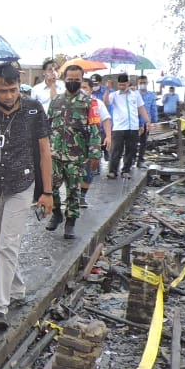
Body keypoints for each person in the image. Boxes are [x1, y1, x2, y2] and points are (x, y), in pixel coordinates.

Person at [0, 62, 53, 330]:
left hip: (21, 185)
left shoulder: (33, 110)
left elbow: (44, 153)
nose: (9, 95)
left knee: (7, 245)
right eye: (3, 90)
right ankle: (17, 288)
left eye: (13, 89)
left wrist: (48, 192)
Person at [46, 64, 101, 239]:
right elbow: (47, 127)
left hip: (76, 156)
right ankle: (56, 214)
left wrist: (94, 153)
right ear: (64, 80)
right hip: (55, 154)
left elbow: (94, 129)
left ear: (81, 80)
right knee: (51, 187)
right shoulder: (55, 101)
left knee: (73, 191)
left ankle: (71, 222)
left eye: (76, 80)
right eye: (70, 80)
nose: (73, 82)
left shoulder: (89, 103)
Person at [105, 73, 150, 178]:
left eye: (123, 85)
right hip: (119, 127)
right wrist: (107, 90)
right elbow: (106, 102)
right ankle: (112, 171)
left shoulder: (135, 94)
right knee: (116, 150)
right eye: (120, 85)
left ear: (128, 83)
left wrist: (147, 121)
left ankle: (126, 170)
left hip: (133, 127)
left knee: (131, 150)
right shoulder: (114, 95)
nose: (122, 87)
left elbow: (141, 108)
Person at [78, 76, 112, 208]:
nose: (81, 90)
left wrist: (108, 136)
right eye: (80, 87)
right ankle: (72, 196)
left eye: (84, 87)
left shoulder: (97, 103)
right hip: (74, 143)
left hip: (92, 142)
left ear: (91, 90)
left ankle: (82, 196)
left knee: (89, 170)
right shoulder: (71, 103)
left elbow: (106, 120)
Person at [136, 75, 158, 167]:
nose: (142, 84)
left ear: (147, 83)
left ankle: (140, 160)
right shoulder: (135, 94)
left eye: (144, 82)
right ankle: (131, 159)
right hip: (135, 122)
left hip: (146, 122)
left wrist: (154, 121)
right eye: (141, 83)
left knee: (143, 142)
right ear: (138, 83)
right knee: (132, 142)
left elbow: (153, 108)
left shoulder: (151, 95)